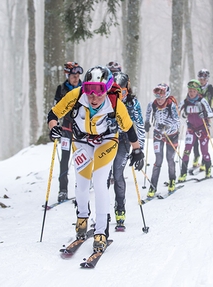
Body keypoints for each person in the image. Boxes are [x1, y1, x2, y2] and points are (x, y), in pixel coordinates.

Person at [47, 65, 144, 253]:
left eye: (99, 91)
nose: (93, 97)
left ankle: (101, 231)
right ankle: (82, 218)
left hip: (106, 142)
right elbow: (53, 114)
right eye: (89, 90)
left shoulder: (115, 102)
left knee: (100, 182)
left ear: (107, 88)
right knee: (82, 184)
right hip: (81, 142)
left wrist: (137, 150)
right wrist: (53, 128)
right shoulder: (76, 95)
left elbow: (129, 128)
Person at [106, 62, 145, 230]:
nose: (119, 94)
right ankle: (102, 211)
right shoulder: (106, 100)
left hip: (123, 141)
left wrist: (139, 150)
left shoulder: (132, 102)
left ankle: (120, 209)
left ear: (127, 89)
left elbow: (140, 126)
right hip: (106, 140)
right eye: (115, 91)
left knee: (118, 173)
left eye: (121, 91)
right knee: (103, 177)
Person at [53, 61, 83, 203]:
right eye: (73, 76)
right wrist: (54, 127)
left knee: (81, 158)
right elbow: (55, 109)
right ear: (67, 75)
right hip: (66, 128)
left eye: (77, 75)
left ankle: (81, 186)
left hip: (82, 129)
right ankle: (63, 190)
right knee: (64, 159)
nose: (76, 78)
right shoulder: (61, 89)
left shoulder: (85, 88)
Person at [144, 83, 180, 197]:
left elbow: (177, 122)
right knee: (158, 160)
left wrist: (168, 128)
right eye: (157, 96)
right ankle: (153, 186)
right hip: (158, 134)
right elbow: (148, 113)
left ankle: (172, 180)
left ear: (167, 95)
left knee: (170, 159)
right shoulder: (152, 104)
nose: (159, 99)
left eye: (162, 96)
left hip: (172, 135)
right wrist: (147, 122)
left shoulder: (171, 105)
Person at [178, 79, 213, 182]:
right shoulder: (185, 101)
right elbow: (177, 112)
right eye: (190, 91)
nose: (192, 93)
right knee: (187, 151)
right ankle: (183, 173)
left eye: (194, 91)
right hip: (191, 129)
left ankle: (208, 169)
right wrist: (183, 116)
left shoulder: (202, 101)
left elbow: (210, 113)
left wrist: (205, 114)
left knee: (204, 151)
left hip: (203, 129)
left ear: (197, 91)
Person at [192, 69, 213, 171]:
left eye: (203, 79)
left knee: (204, 140)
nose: (201, 80)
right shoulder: (195, 87)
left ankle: (204, 161)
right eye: (200, 78)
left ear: (207, 79)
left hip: (205, 117)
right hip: (194, 116)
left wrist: (208, 114)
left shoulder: (211, 90)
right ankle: (196, 156)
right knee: (194, 139)